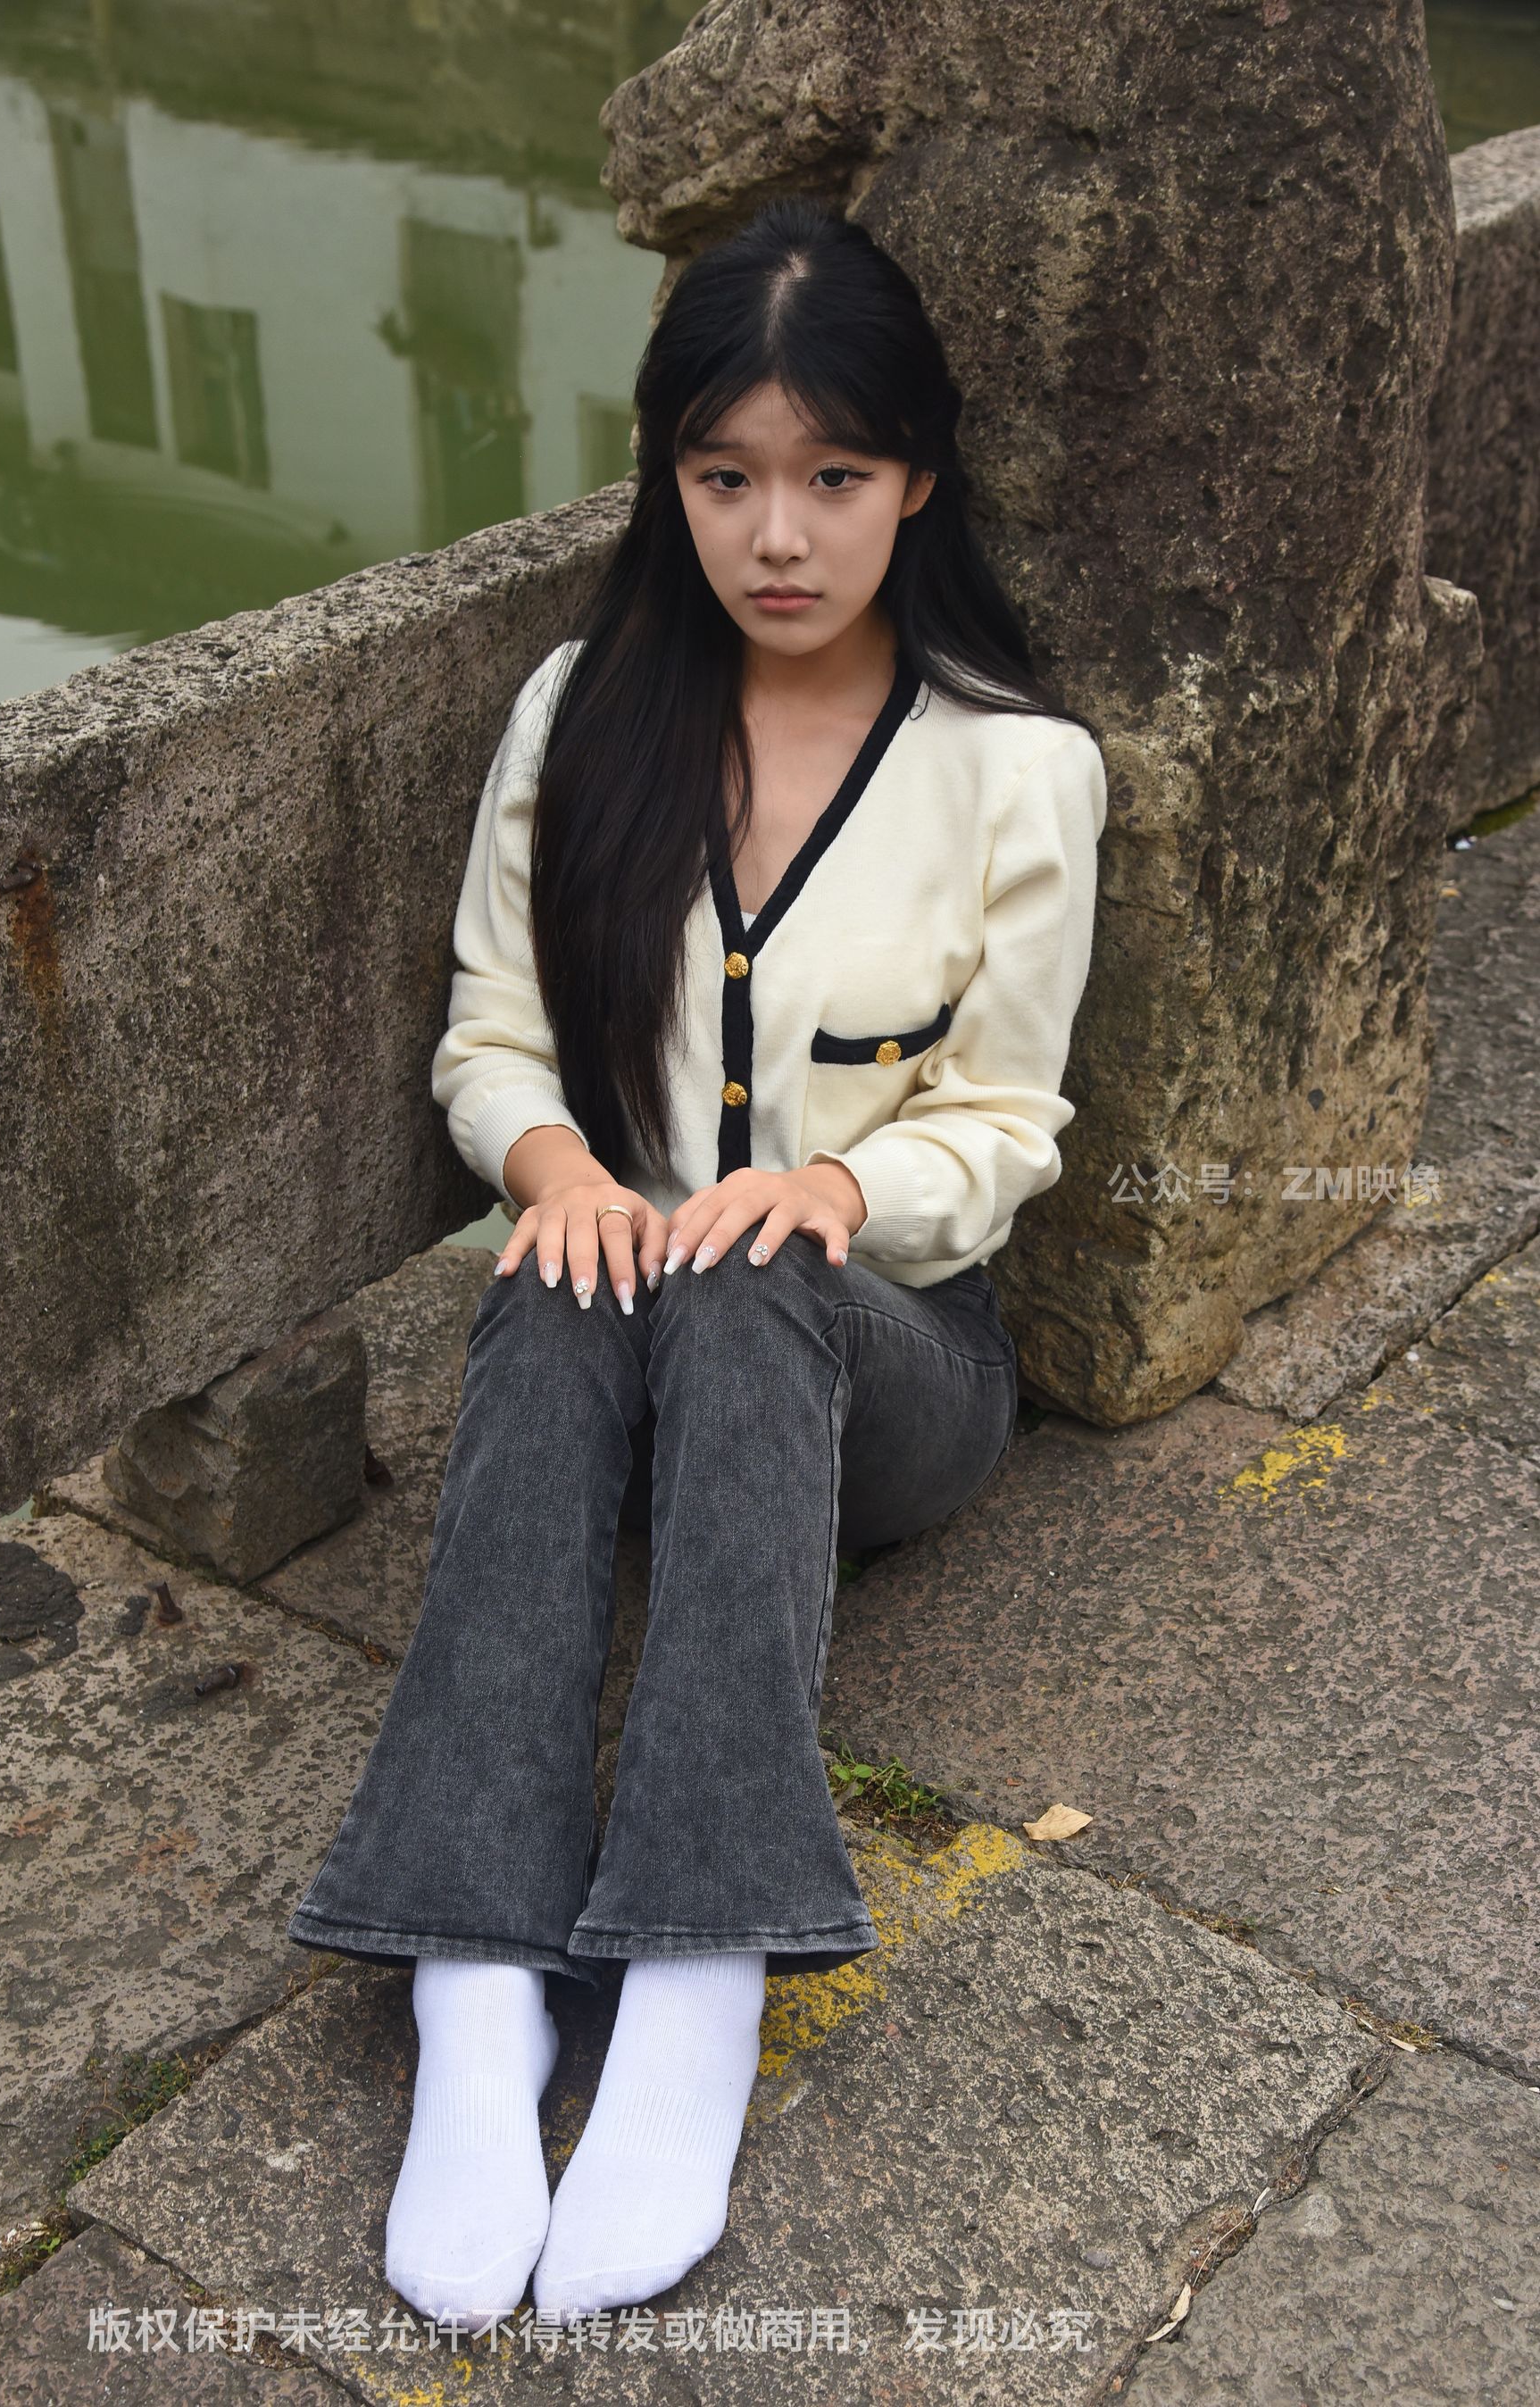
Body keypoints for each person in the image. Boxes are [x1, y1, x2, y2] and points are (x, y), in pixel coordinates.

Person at [285, 193, 1107, 2336]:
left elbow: (1008, 1121)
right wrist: (556, 1163)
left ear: (917, 479)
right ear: (669, 478)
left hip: (883, 1367)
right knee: (556, 1275)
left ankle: (699, 1963)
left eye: (834, 476)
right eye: (726, 476)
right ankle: (474, 1974)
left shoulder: (1020, 771)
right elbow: (490, 1032)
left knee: (741, 1275)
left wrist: (837, 1196)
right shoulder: (585, 711)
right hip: (621, 1332)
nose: (780, 533)